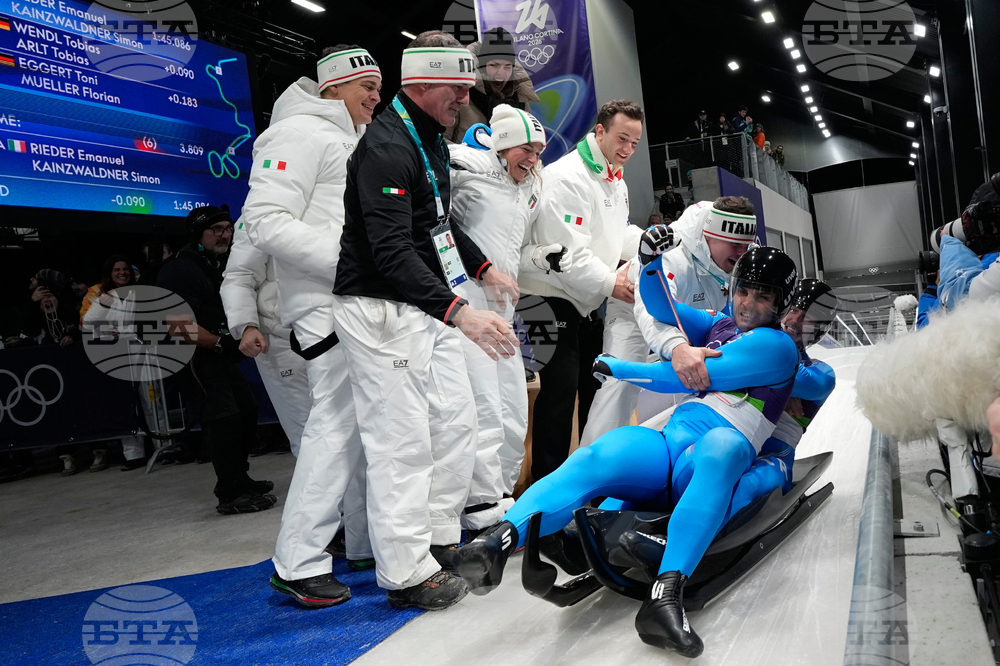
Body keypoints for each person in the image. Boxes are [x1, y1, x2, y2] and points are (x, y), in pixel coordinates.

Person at [456, 246, 800, 658]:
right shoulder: (719, 325)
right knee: (604, 452)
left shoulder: (778, 346)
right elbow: (661, 305)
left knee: (722, 449)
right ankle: (498, 541)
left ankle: (666, 595)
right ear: (732, 289)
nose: (749, 304)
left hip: (710, 454)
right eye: (744, 291)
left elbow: (692, 375)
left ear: (779, 305)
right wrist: (651, 263)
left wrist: (620, 368)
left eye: (763, 297)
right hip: (672, 446)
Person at [332, 30, 521, 610]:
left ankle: (438, 539)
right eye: (454, 88)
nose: (464, 98)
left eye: (468, 87)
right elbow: (390, 251)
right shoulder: (387, 146)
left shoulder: (431, 137)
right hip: (378, 309)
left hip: (420, 304)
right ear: (418, 84)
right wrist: (461, 312)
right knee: (402, 443)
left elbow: (435, 221)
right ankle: (404, 572)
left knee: (456, 423)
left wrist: (483, 266)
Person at [241, 44, 381, 607]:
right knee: (335, 428)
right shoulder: (295, 134)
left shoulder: (353, 140)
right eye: (364, 85)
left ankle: (370, 545)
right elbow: (264, 222)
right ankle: (298, 561)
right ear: (331, 88)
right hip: (326, 307)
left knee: (364, 432)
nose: (375, 94)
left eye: (378, 84)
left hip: (362, 302)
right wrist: (352, 262)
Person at [516, 99, 644, 481]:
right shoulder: (567, 177)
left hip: (583, 301)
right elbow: (566, 252)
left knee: (596, 386)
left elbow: (614, 236)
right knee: (558, 395)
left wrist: (652, 244)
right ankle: (546, 497)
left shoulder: (613, 178)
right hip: (541, 298)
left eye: (635, 144)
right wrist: (610, 283)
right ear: (600, 132)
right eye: (622, 138)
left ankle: (590, 480)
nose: (627, 149)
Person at [449, 106, 563, 531]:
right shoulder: (465, 165)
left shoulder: (530, 185)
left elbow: (514, 249)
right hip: (465, 307)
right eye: (524, 149)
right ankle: (478, 506)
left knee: (514, 411)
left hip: (503, 311)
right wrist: (480, 269)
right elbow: (434, 220)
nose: (531, 158)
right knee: (484, 409)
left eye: (537, 150)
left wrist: (542, 258)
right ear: (498, 144)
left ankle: (499, 496)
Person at [156, 206, 276, 515]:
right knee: (223, 419)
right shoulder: (180, 268)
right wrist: (221, 343)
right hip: (191, 356)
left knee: (247, 412)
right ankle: (230, 493)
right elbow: (176, 324)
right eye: (217, 229)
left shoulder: (215, 262)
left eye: (228, 228)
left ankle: (240, 478)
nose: (225, 234)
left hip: (215, 353)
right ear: (199, 234)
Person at [79, 255, 147, 471]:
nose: (122, 273)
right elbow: (86, 325)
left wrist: (127, 331)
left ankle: (166, 446)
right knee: (126, 405)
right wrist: (105, 323)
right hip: (118, 357)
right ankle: (134, 455)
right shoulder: (100, 295)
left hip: (144, 353)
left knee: (151, 402)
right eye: (117, 270)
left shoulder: (141, 292)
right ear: (109, 273)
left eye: (125, 269)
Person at [446, 27, 540, 144]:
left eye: (507, 67)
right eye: (494, 65)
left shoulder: (520, 99)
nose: (501, 73)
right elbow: (440, 141)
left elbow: (528, 142)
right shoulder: (461, 94)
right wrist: (467, 158)